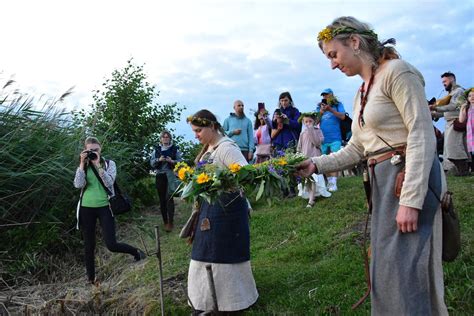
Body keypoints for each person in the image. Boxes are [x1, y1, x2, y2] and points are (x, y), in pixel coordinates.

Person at [297, 17, 448, 315]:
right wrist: (315, 164)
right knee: (386, 268)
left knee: (407, 270)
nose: (332, 64)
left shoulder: (398, 73)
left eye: (333, 55)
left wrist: (411, 200)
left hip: (406, 179)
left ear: (354, 42)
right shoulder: (361, 92)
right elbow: (357, 147)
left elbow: (420, 132)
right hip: (382, 185)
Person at [186, 110, 259, 313]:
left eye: (199, 130)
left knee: (224, 256)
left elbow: (245, 174)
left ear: (211, 126)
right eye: (194, 131)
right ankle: (204, 303)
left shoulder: (227, 148)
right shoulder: (209, 149)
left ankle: (232, 303)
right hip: (211, 211)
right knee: (204, 254)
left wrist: (223, 182)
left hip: (228, 213)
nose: (196, 135)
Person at [73, 137, 145, 285]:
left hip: (105, 206)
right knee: (89, 245)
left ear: (101, 149)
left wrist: (98, 165)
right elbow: (78, 184)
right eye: (90, 150)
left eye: (96, 150)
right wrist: (82, 163)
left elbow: (109, 182)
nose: (93, 152)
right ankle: (91, 279)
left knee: (111, 244)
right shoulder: (84, 166)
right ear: (85, 150)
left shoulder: (109, 163)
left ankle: (136, 252)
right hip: (87, 208)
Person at [430, 72, 469, 175]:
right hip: (449, 124)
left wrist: (435, 107)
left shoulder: (458, 91)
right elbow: (446, 112)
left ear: (452, 80)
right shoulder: (451, 93)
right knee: (450, 149)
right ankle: (456, 171)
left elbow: (453, 107)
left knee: (455, 148)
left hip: (456, 123)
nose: (443, 84)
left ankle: (463, 171)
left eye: (445, 81)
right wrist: (432, 114)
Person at [296, 112, 330, 208]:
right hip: (305, 158)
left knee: (314, 178)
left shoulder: (317, 131)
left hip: (314, 159)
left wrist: (311, 130)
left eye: (310, 121)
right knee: (308, 180)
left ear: (314, 122)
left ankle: (311, 200)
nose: (308, 123)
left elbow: (317, 142)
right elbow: (299, 146)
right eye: (306, 121)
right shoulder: (302, 133)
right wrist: (298, 155)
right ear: (303, 122)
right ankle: (311, 195)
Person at [316, 88, 347, 192]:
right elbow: (315, 122)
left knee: (334, 159)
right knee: (324, 160)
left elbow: (343, 117)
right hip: (323, 138)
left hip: (335, 137)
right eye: (323, 95)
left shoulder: (338, 104)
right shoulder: (319, 107)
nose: (325, 97)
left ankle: (334, 182)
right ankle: (329, 181)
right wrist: (321, 112)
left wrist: (331, 110)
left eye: (327, 95)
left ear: (332, 95)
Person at [150, 131, 182, 232]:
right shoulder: (156, 150)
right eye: (163, 137)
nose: (165, 138)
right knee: (162, 199)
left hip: (171, 175)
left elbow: (180, 162)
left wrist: (171, 161)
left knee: (169, 198)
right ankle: (165, 221)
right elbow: (151, 163)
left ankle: (171, 222)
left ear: (170, 138)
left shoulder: (175, 149)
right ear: (161, 139)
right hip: (160, 175)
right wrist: (158, 160)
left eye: (167, 137)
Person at [459, 87, 474, 173]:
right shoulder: (468, 108)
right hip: (471, 134)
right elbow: (461, 120)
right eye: (470, 96)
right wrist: (462, 108)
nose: (472, 98)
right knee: (472, 152)